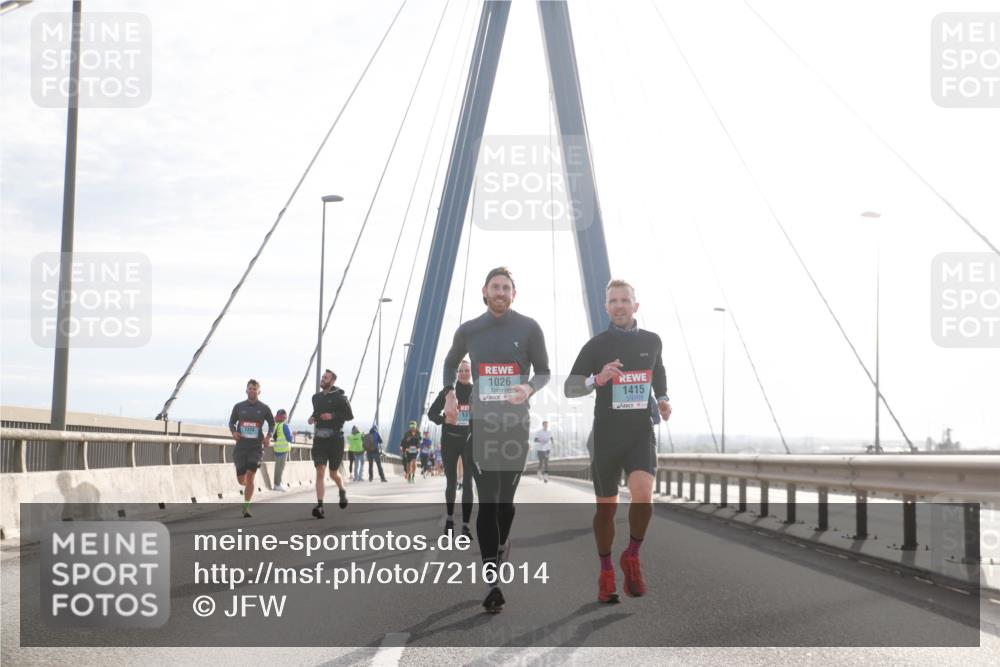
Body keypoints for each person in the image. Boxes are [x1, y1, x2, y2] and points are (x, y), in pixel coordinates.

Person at [441, 266, 549, 613]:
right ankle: (492, 580)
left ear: (513, 294)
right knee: (488, 502)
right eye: (495, 287)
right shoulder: (469, 330)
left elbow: (544, 370)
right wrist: (449, 394)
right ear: (484, 292)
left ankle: (502, 543)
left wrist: (529, 387)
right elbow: (449, 362)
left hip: (516, 427)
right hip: (484, 428)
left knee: (505, 504)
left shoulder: (529, 327)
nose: (500, 292)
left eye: (506, 288)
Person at [565, 279, 671, 604]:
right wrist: (597, 379)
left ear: (636, 306)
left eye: (625, 300)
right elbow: (570, 387)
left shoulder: (653, 341)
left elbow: (659, 373)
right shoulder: (595, 346)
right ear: (606, 307)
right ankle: (607, 570)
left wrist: (664, 399)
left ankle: (633, 555)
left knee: (643, 496)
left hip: (640, 433)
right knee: (606, 511)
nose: (620, 305)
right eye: (613, 301)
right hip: (607, 436)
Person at [428, 359, 474, 538]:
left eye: (466, 370)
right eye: (460, 370)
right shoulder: (448, 392)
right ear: (456, 373)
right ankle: (449, 519)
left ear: (471, 372)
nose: (463, 373)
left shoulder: (475, 391)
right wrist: (444, 420)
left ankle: (466, 526)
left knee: (468, 483)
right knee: (451, 482)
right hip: (449, 441)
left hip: (468, 441)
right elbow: (432, 413)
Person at [308, 369, 354, 518]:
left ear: (332, 381)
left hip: (335, 440)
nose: (322, 379)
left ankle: (341, 489)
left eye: (326, 378)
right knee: (320, 470)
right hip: (320, 439)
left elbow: (349, 415)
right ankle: (320, 505)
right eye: (322, 377)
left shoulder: (341, 397)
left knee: (333, 473)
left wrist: (332, 416)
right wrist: (313, 418)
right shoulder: (316, 397)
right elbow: (317, 412)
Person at [228, 379, 275, 517]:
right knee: (241, 480)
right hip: (241, 446)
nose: (252, 391)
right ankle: (248, 487)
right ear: (246, 390)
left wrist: (268, 436)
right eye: (250, 388)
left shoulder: (264, 408)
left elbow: (272, 424)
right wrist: (234, 432)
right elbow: (232, 422)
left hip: (256, 447)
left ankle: (246, 507)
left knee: (250, 477)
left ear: (259, 391)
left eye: (254, 389)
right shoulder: (239, 406)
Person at [271, 408, 293, 491]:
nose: (285, 418)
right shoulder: (285, 425)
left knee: (277, 467)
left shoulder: (276, 425)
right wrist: (292, 435)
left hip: (277, 449)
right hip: (283, 449)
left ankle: (277, 484)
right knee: (280, 468)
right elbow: (290, 438)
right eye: (284, 416)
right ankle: (277, 484)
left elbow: (274, 436)